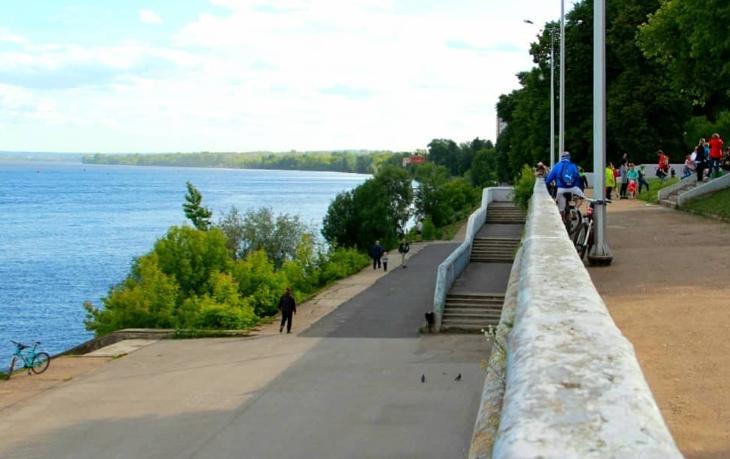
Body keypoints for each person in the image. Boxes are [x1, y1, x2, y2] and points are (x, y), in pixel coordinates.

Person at [545, 151, 585, 217]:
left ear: (562, 158)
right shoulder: (573, 165)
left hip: (561, 189)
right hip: (573, 188)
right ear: (569, 157)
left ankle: (562, 218)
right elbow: (578, 177)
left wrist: (546, 183)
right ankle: (575, 210)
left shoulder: (557, 166)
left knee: (561, 209)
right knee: (582, 197)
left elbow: (549, 179)